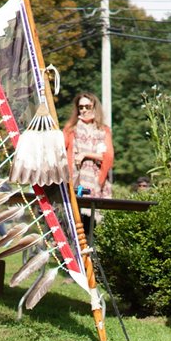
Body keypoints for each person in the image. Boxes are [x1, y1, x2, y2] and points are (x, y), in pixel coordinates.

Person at [63, 92, 115, 236]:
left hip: (97, 181)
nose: (84, 110)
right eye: (81, 107)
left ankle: (91, 254)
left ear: (94, 107)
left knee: (93, 223)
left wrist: (85, 154)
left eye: (87, 106)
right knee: (75, 219)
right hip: (75, 179)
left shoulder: (103, 130)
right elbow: (61, 150)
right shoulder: (71, 129)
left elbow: (108, 157)